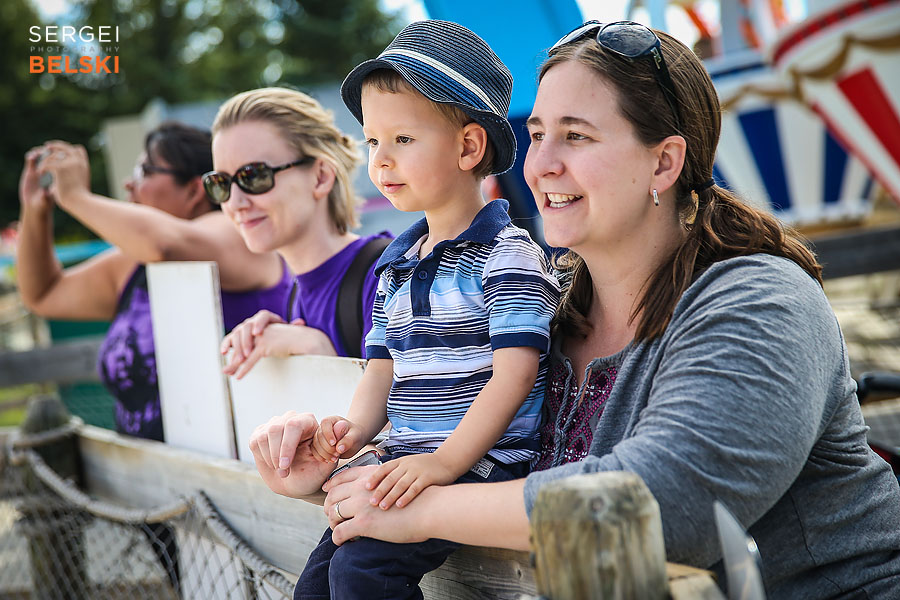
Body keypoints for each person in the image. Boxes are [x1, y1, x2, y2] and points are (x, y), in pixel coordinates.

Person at [249, 20, 900, 600]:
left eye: (576, 136)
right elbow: (453, 432)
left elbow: (672, 507)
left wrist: (421, 511)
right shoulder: (545, 308)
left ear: (664, 161)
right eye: (536, 135)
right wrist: (330, 475)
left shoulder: (759, 302)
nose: (542, 165)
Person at [289, 20, 560, 600]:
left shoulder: (507, 256)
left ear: (468, 146)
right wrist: (353, 431)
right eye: (372, 142)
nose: (381, 161)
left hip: (482, 463)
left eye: (403, 140)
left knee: (363, 574)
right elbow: (382, 368)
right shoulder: (398, 262)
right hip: (408, 460)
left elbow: (517, 373)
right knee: (318, 580)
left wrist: (442, 464)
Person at [17, 122, 292, 595]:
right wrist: (36, 210)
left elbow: (166, 244)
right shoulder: (133, 261)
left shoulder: (232, 233)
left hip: (237, 494)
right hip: (158, 494)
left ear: (193, 189)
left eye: (146, 169)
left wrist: (77, 195)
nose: (130, 184)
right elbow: (44, 294)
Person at [210, 88, 393, 376]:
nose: (235, 203)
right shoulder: (296, 296)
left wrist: (319, 354)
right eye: (220, 183)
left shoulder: (387, 277)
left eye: (254, 176)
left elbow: (423, 415)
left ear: (320, 177)